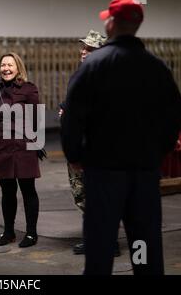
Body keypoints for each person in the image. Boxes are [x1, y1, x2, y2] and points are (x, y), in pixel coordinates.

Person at [60, 0, 181, 275]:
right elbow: (173, 115)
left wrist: (75, 155)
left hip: (103, 171)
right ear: (138, 24)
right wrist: (158, 152)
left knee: (100, 246)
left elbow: (72, 118)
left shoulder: (92, 67)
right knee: (145, 245)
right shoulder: (156, 67)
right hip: (144, 172)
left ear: (110, 23)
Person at [59, 30, 122, 256]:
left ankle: (110, 243)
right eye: (83, 48)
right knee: (84, 197)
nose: (83, 52)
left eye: (90, 49)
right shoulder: (82, 76)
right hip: (80, 148)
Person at [0, 52, 41, 248]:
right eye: (3, 65)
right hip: (2, 148)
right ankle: (9, 232)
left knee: (28, 191)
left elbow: (36, 119)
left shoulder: (29, 89)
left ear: (18, 68)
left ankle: (31, 233)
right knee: (7, 192)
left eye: (10, 65)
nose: (6, 68)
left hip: (24, 148)